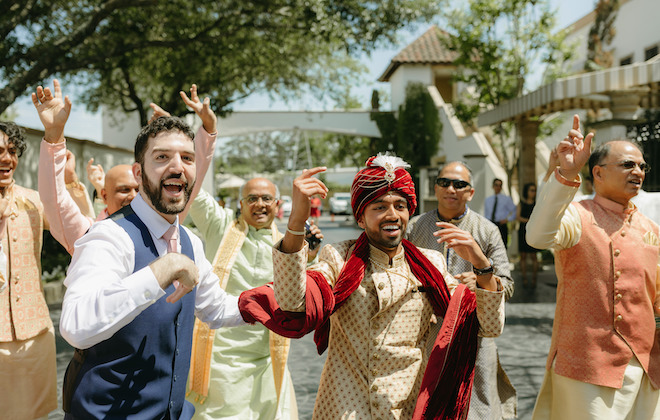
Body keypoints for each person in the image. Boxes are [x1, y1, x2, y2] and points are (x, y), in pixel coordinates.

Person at [239, 153, 505, 419]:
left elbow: (489, 326)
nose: (392, 215)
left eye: (400, 206)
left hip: (408, 408)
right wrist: (296, 222)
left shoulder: (431, 263)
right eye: (379, 206)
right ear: (361, 218)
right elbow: (292, 302)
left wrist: (482, 266)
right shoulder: (339, 258)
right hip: (347, 405)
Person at [57, 115, 246, 419]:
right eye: (161, 157)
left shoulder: (190, 241)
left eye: (187, 157)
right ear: (138, 171)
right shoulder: (109, 236)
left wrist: (278, 302)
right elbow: (76, 326)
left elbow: (215, 308)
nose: (177, 166)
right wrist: (161, 270)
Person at [527, 115, 660, 419]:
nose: (637, 171)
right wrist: (566, 174)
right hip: (585, 366)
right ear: (597, 173)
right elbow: (537, 237)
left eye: (642, 166)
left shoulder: (651, 228)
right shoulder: (576, 216)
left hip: (647, 366)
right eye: (627, 164)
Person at [35, 80, 216, 255]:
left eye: (138, 189)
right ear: (104, 195)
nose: (132, 196)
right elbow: (54, 201)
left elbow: (190, 174)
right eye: (123, 190)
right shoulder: (93, 235)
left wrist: (177, 133)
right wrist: (54, 135)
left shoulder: (168, 226)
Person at [407, 161, 516, 419]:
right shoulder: (414, 227)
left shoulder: (487, 231)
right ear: (435, 188)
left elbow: (507, 285)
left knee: (478, 405)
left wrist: (481, 277)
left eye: (459, 184)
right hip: (426, 334)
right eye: (444, 182)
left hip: (475, 334)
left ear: (471, 192)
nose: (451, 189)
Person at [0, 121, 57, 419]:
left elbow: (74, 229)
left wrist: (69, 181)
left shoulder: (32, 200)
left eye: (12, 151)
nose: (6, 158)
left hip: (34, 335)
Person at [516, 182, 540, 288]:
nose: (533, 193)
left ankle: (534, 278)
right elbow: (518, 217)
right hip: (523, 231)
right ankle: (524, 278)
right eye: (531, 190)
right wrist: (530, 220)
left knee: (534, 256)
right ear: (527, 191)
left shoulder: (537, 204)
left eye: (534, 190)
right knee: (523, 256)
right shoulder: (521, 203)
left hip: (533, 231)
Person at [484, 178, 516, 247]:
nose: (498, 187)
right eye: (496, 185)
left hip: (501, 225)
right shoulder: (488, 200)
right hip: (490, 225)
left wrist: (508, 220)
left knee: (502, 246)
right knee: (490, 247)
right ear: (493, 186)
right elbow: (486, 214)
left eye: (500, 185)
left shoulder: (506, 199)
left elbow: (514, 211)